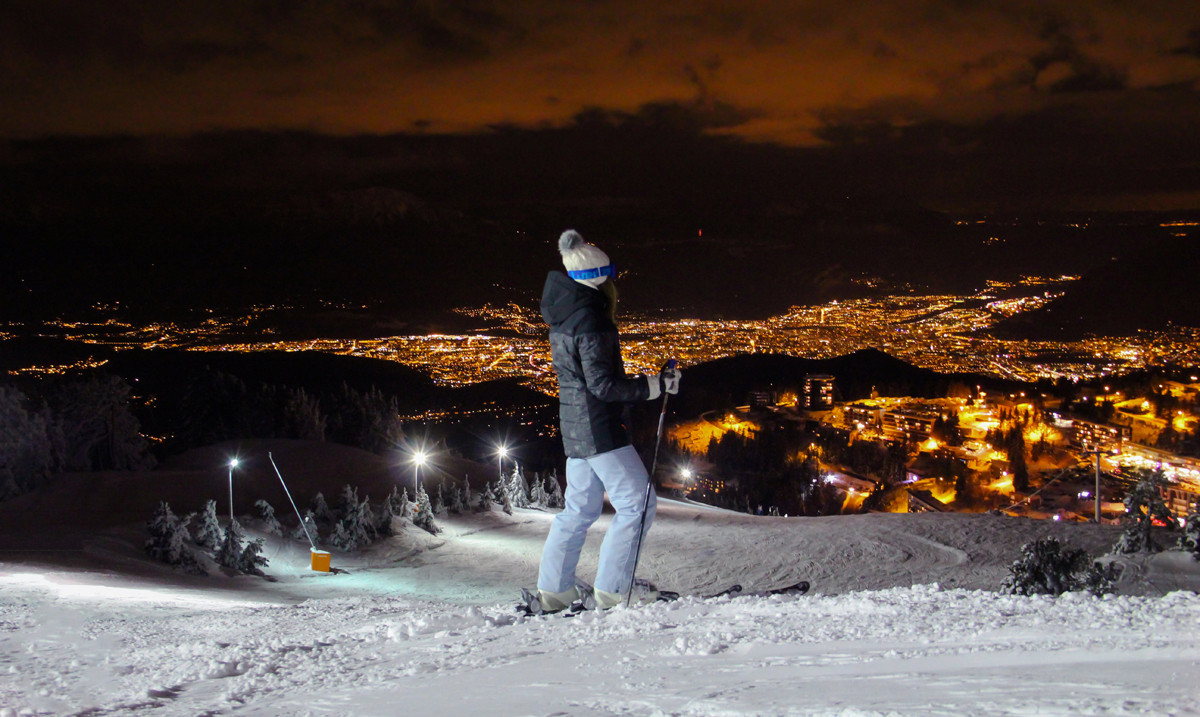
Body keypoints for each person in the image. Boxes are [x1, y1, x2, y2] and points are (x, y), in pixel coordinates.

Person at [536, 229, 681, 611]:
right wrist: (654, 386)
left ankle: (554, 590)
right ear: (599, 276)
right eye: (611, 270)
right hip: (600, 429)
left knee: (578, 511)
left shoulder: (565, 313)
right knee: (639, 503)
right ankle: (614, 589)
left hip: (575, 428)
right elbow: (602, 385)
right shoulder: (592, 318)